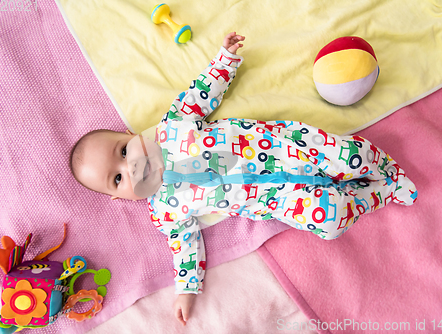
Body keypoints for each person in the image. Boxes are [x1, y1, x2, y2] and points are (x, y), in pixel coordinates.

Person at [69, 32, 417, 326]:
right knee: (329, 221)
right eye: (116, 179)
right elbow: (185, 247)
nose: (130, 168)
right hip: (280, 199)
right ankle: (380, 193)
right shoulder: (166, 212)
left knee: (349, 157)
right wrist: (187, 289)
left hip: (290, 148)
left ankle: (382, 168)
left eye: (122, 151)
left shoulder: (172, 127)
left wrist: (224, 60)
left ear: (129, 135)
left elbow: (201, 93)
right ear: (119, 197)